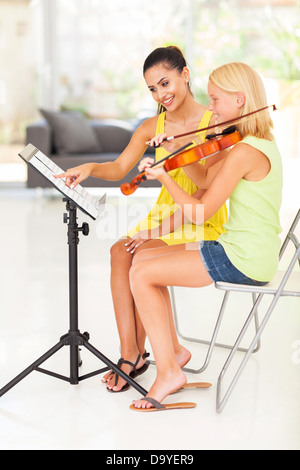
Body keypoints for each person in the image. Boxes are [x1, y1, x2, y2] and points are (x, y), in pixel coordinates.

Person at [55, 46, 228, 392]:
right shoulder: (154, 125)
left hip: (196, 214)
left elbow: (208, 187)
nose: (161, 94)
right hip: (165, 209)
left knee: (143, 254)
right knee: (120, 251)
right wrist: (89, 167)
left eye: (165, 83)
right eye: (152, 89)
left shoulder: (215, 123)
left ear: (185, 74)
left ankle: (156, 355)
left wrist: (174, 153)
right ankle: (131, 353)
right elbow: (120, 167)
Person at [129, 62, 283, 411]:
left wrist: (165, 178)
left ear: (240, 100)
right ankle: (175, 353)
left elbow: (202, 211)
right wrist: (172, 156)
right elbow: (203, 181)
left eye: (216, 100)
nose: (210, 108)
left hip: (243, 258)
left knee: (140, 273)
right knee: (145, 258)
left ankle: (168, 371)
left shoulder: (245, 151)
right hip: (245, 249)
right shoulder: (251, 141)